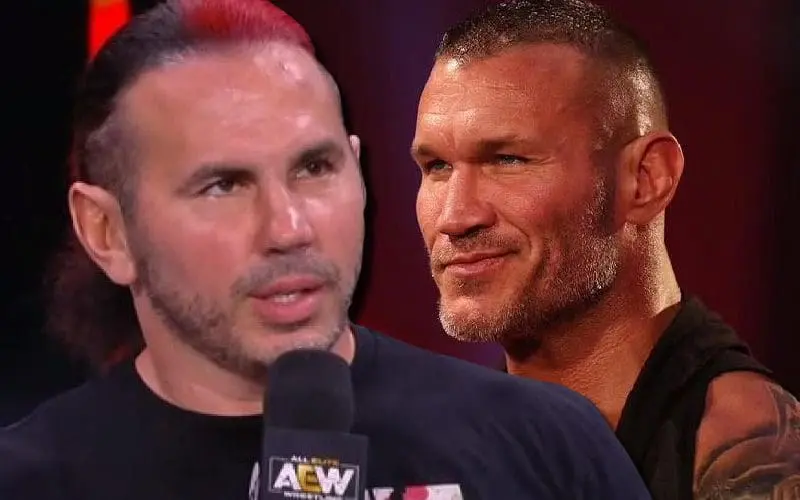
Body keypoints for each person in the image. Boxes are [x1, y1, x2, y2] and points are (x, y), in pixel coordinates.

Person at [0, 0, 651, 499]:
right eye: (223, 185)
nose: (289, 228)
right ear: (107, 232)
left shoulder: (544, 445)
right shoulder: (30, 479)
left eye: (314, 168)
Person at [411, 0, 800, 499]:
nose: (454, 217)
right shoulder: (445, 446)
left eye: (508, 159)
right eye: (437, 167)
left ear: (645, 179)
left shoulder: (743, 449)